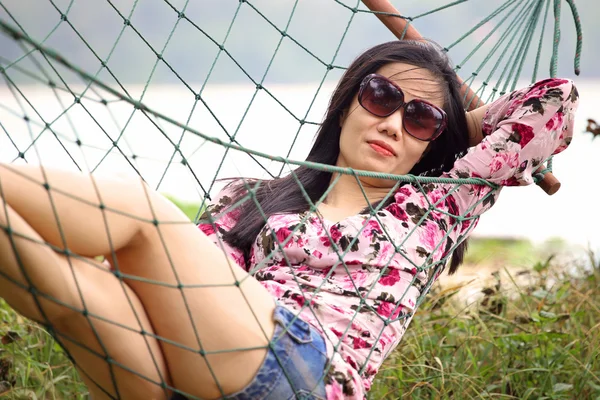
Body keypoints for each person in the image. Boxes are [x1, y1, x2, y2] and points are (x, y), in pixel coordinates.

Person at [0, 39, 578, 400]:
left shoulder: (437, 205)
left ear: (433, 142)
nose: (394, 123)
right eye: (381, 97)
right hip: (196, 374)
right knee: (76, 295)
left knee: (143, 213)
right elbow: (169, 284)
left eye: (420, 119)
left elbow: (557, 103)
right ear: (348, 100)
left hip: (310, 371)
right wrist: (434, 109)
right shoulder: (258, 201)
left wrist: (460, 124)